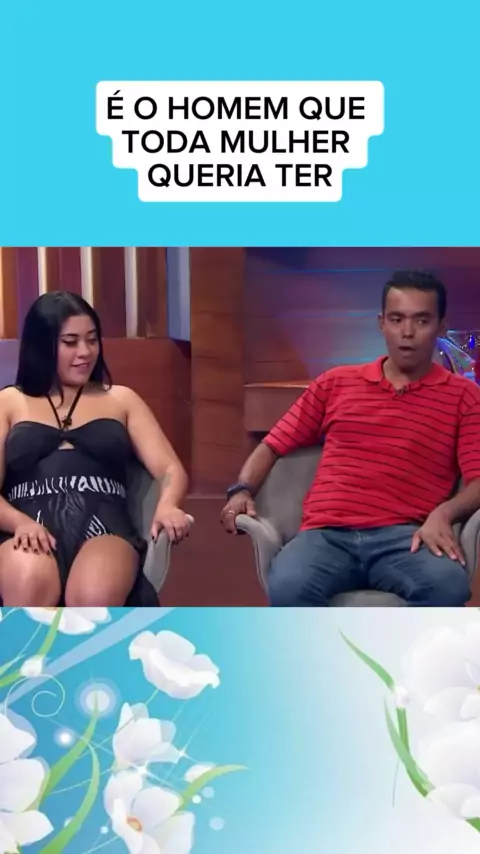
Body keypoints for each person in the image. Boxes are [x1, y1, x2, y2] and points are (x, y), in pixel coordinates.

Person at [220, 270, 480, 606]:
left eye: (421, 320)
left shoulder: (463, 396)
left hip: (406, 536)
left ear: (441, 327)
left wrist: (444, 513)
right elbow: (273, 444)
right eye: (396, 319)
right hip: (327, 535)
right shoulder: (336, 383)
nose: (407, 332)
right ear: (381, 323)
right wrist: (242, 490)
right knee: (288, 586)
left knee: (448, 586)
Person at [0, 291, 192, 607]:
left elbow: (169, 469)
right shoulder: (9, 402)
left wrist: (168, 504)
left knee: (93, 595)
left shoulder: (121, 399)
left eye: (92, 340)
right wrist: (18, 523)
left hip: (104, 525)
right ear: (42, 346)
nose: (85, 352)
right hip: (27, 523)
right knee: (29, 585)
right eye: (70, 342)